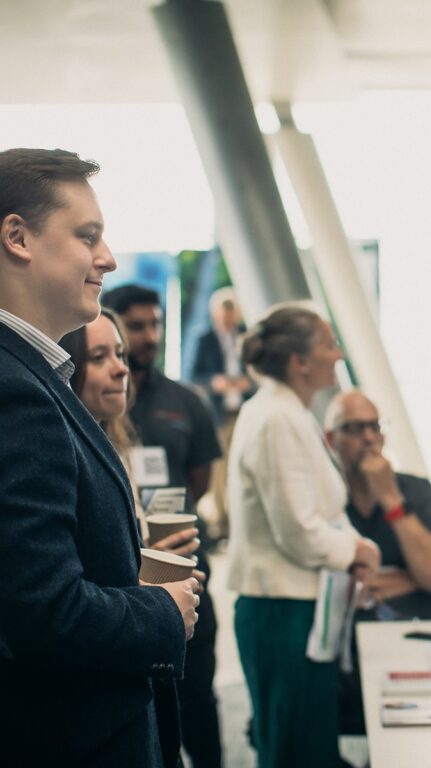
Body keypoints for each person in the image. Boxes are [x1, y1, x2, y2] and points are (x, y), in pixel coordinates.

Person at [0, 147, 198, 767]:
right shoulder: (16, 391)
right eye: (89, 237)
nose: (107, 259)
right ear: (17, 238)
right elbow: (43, 612)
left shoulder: (35, 377)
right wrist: (162, 609)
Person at [227, 305, 381, 768]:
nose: (337, 354)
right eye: (328, 345)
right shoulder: (277, 417)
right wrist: (358, 549)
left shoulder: (289, 411)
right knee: (294, 750)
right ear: (299, 361)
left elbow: (322, 512)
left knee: (310, 743)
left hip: (297, 606)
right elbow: (297, 529)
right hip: (280, 611)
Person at [60, 308, 205, 768]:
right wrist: (155, 599)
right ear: (68, 366)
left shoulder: (117, 448)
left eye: (118, 353)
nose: (121, 367)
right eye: (100, 357)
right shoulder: (63, 451)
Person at [102, 284, 224, 768]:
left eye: (155, 324)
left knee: (199, 697)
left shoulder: (185, 401)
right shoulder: (100, 398)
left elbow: (201, 478)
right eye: (136, 326)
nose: (148, 336)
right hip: (130, 583)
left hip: (189, 570)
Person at [324, 390, 431, 734]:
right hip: (342, 656)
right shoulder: (325, 498)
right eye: (355, 428)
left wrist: (390, 498)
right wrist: (410, 577)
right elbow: (333, 584)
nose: (369, 438)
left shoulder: (414, 490)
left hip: (417, 644)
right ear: (330, 439)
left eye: (375, 426)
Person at [191, 286, 253, 540]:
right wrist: (215, 382)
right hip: (219, 415)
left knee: (241, 468)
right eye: (224, 312)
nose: (229, 317)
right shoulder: (205, 340)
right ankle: (221, 523)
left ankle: (239, 521)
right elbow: (194, 376)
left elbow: (256, 371)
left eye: (232, 311)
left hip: (243, 412)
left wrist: (246, 382)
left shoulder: (245, 337)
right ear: (215, 313)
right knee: (219, 471)